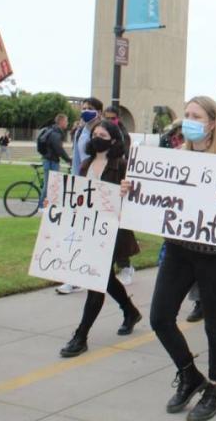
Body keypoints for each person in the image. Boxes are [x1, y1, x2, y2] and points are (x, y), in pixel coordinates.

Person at [137, 96, 216, 418]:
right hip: (179, 250)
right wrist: (133, 192)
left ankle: (214, 391)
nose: (189, 120)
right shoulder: (174, 158)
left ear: (212, 123)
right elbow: (154, 200)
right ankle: (190, 375)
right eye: (186, 115)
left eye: (196, 115)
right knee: (160, 317)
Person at [60, 121, 143, 357]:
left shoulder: (122, 167)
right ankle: (130, 311)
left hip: (112, 231)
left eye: (102, 135)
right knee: (104, 279)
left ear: (114, 140)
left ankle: (81, 335)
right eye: (94, 134)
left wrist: (129, 190)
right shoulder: (86, 164)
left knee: (96, 282)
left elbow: (135, 201)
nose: (97, 138)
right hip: (89, 229)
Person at [102, 105, 138, 285]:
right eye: (105, 117)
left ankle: (125, 266)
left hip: (117, 185)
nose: (108, 121)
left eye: (112, 118)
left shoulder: (124, 137)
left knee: (120, 232)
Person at [39, 113, 71, 209]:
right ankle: (41, 206)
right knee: (49, 184)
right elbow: (58, 149)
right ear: (61, 122)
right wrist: (68, 160)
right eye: (66, 121)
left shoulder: (54, 131)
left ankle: (47, 204)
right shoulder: (55, 133)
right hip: (51, 162)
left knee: (50, 184)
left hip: (50, 160)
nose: (67, 123)